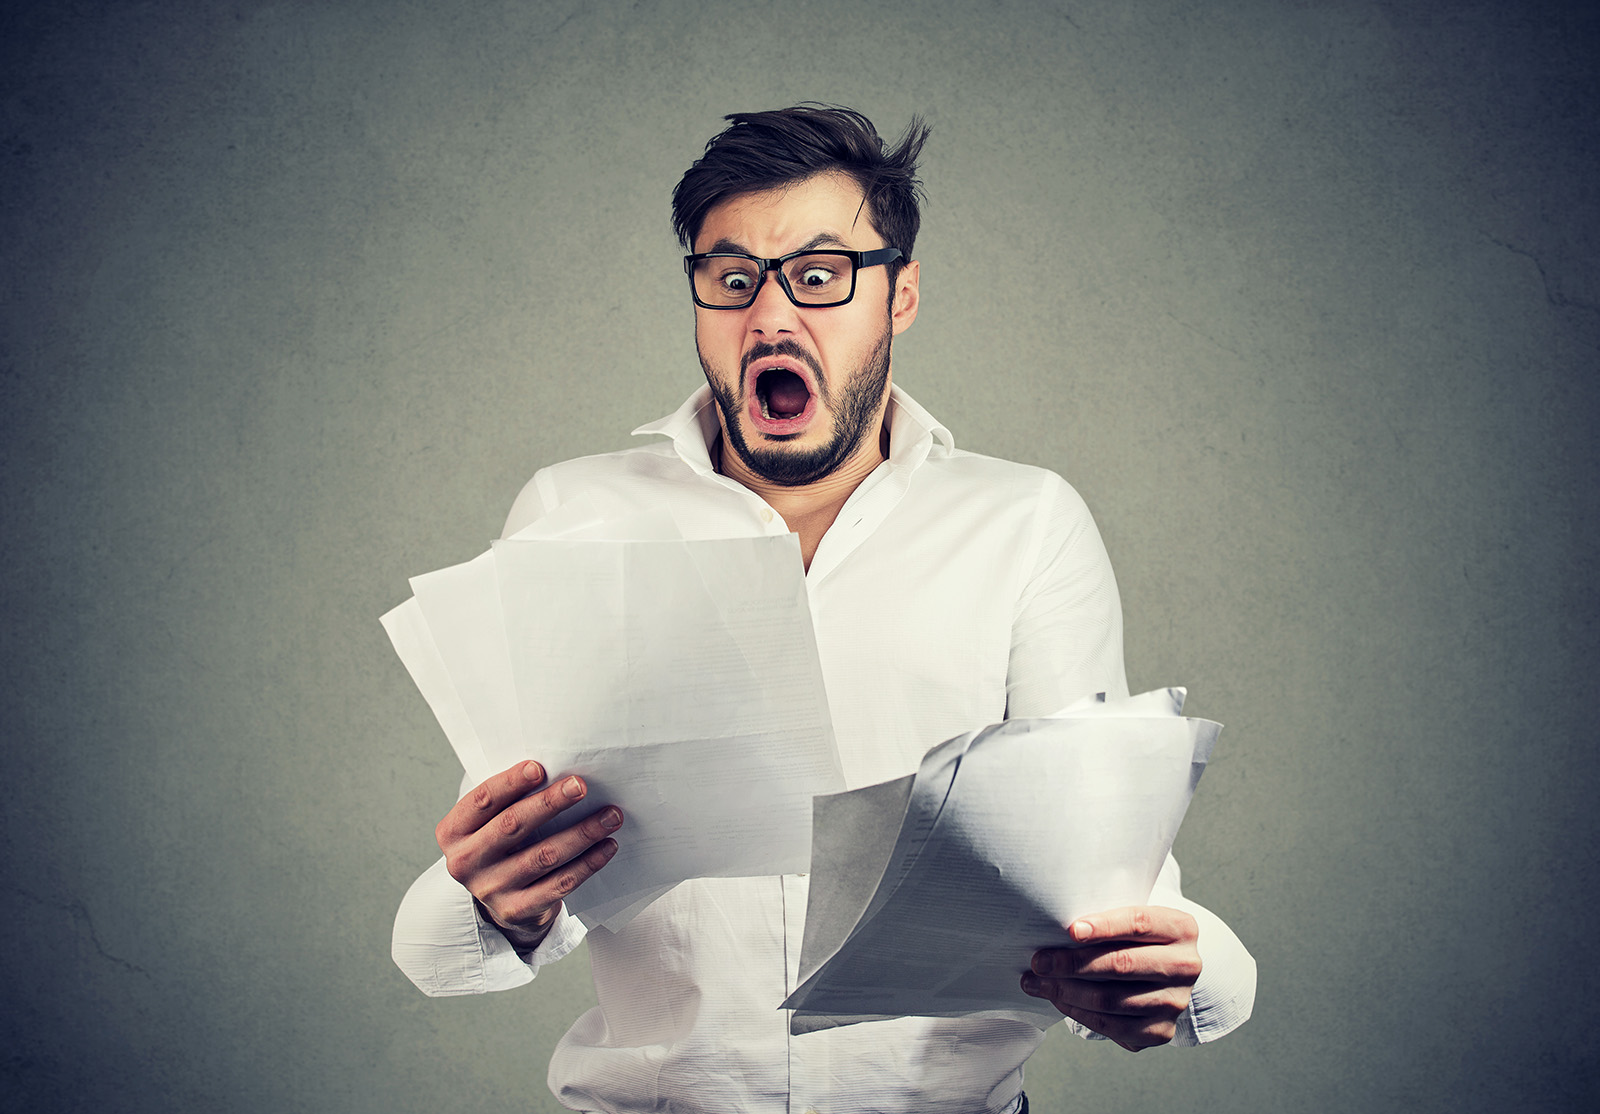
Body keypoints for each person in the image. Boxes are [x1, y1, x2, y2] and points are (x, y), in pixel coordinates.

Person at [393, 105, 1256, 1113]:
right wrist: (495, 904)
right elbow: (461, 924)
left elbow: (1110, 886)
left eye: (818, 275)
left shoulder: (1027, 524)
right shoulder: (572, 516)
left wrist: (1177, 975)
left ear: (901, 293)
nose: (769, 317)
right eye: (731, 278)